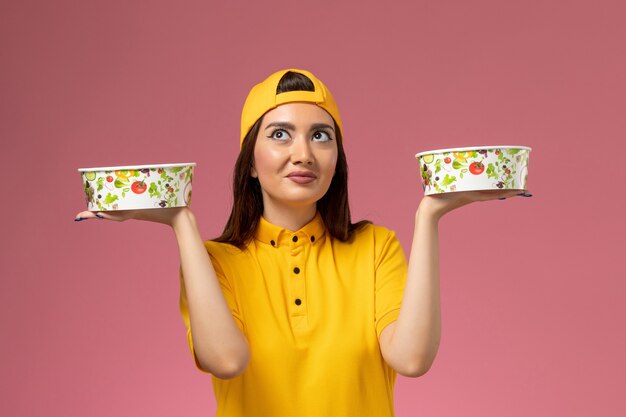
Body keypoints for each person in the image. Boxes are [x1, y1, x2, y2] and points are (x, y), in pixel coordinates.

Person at [75, 69, 529, 416]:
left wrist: (430, 214)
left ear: (337, 159)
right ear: (250, 162)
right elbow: (227, 360)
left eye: (320, 136)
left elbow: (410, 358)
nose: (303, 154)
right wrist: (181, 221)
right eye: (279, 135)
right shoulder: (214, 262)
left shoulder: (375, 247)